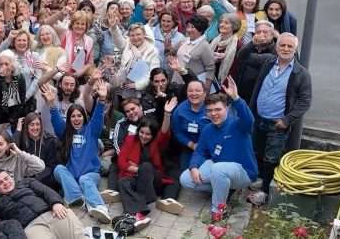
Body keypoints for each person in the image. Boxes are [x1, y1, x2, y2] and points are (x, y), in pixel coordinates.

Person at [180, 77, 258, 220]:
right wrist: (194, 167)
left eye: (218, 109)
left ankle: (218, 210)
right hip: (219, 168)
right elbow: (200, 151)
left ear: (226, 109)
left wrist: (236, 98)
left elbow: (249, 120)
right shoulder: (208, 129)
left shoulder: (238, 124)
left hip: (243, 172)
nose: (214, 114)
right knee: (186, 179)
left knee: (218, 169)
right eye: (210, 110)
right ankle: (223, 188)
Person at [248, 33, 312, 201]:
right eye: (282, 45)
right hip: (259, 119)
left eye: (290, 46)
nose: (285, 49)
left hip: (277, 124)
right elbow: (244, 57)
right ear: (276, 47)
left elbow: (305, 101)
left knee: (271, 158)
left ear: (295, 49)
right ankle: (260, 180)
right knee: (257, 152)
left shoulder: (301, 73)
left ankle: (264, 192)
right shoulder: (268, 62)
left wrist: (286, 120)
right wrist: (253, 42)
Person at [44, 79, 113, 223]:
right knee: (58, 169)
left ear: (84, 117)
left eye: (79, 115)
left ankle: (100, 208)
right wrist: (51, 104)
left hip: (90, 175)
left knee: (84, 179)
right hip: (71, 177)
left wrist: (101, 100)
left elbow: (97, 117)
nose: (76, 119)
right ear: (69, 119)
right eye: (73, 116)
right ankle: (77, 198)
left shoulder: (92, 130)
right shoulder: (65, 132)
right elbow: (56, 120)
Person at [116, 98, 183, 228]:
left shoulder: (156, 143)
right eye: (141, 132)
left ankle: (140, 206)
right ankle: (136, 213)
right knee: (122, 182)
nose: (144, 136)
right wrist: (137, 170)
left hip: (153, 180)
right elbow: (121, 162)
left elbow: (164, 133)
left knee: (146, 166)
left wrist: (167, 114)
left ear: (152, 135)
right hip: (134, 178)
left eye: (148, 134)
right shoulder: (130, 139)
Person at [0, 171, 85, 239]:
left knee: (78, 235)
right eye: (0, 183)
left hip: (52, 213)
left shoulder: (26, 182)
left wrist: (56, 203)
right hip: (31, 227)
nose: (5, 183)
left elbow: (45, 191)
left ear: (11, 177)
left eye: (6, 178)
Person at [14, 112, 60, 189]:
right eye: (32, 125)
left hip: (45, 180)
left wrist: (36, 180)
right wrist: (18, 130)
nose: (35, 128)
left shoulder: (49, 140)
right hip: (26, 179)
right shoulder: (22, 139)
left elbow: (51, 166)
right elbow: (12, 150)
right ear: (26, 126)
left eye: (38, 124)